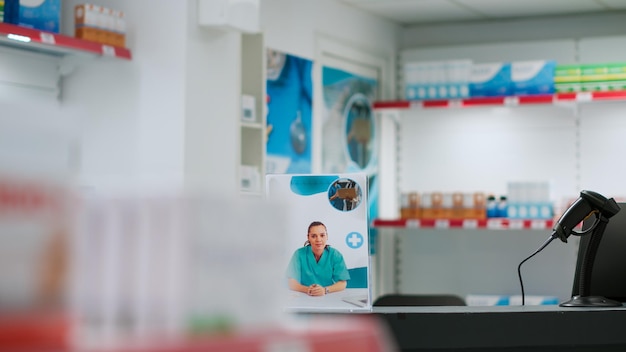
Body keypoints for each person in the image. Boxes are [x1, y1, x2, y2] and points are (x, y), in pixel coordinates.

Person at [286, 221, 350, 296]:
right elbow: (291, 282)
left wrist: (325, 290)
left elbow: (342, 283)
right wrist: (308, 290)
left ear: (327, 236)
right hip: (304, 296)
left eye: (322, 235)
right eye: (313, 236)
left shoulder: (335, 255)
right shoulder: (299, 254)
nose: (318, 240)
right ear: (308, 237)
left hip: (328, 296)